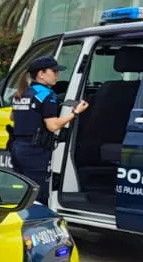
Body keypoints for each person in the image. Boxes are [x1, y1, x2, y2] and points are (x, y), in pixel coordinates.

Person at [8, 55, 86, 205]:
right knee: (38, 194)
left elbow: (13, 117)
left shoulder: (21, 93)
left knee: (21, 191)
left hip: (17, 147)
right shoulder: (47, 95)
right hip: (35, 151)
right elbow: (53, 126)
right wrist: (75, 113)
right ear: (41, 74)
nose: (57, 75)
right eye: (54, 71)